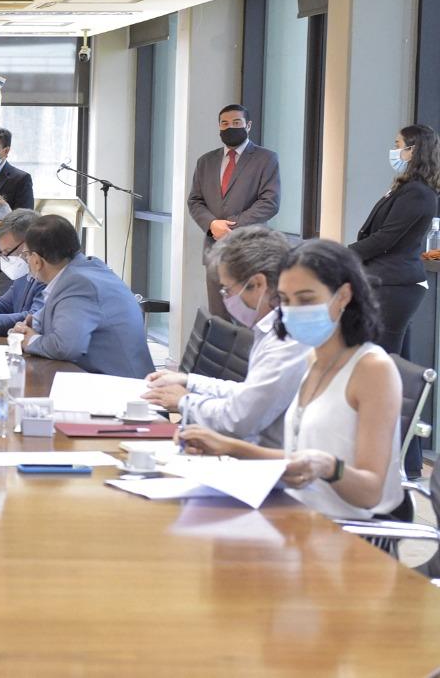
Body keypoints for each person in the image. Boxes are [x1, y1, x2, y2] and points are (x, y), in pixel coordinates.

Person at [178, 240, 404, 521]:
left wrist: (330, 467)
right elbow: (300, 463)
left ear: (344, 296)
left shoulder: (372, 369)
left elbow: (370, 492)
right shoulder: (313, 359)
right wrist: (227, 446)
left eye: (306, 299)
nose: (292, 310)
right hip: (296, 516)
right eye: (285, 300)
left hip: (349, 532)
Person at [142, 226, 308, 448]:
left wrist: (185, 401)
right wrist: (189, 381)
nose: (225, 299)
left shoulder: (289, 339)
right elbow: (252, 394)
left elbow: (241, 418)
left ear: (258, 284)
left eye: (227, 290)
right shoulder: (270, 328)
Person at [12, 214, 153, 378]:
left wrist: (29, 341)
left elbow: (66, 347)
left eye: (26, 255)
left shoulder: (78, 284)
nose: (26, 260)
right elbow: (42, 322)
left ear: (36, 260)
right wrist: (29, 328)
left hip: (120, 388)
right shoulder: (82, 270)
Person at [348, 124, 440, 357]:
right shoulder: (407, 187)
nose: (394, 151)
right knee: (393, 356)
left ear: (413, 150)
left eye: (397, 145)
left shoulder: (418, 193)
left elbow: (386, 238)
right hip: (387, 280)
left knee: (382, 356)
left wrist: (344, 254)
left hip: (394, 284)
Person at [187, 104, 280, 319]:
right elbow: (195, 201)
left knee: (250, 316)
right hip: (214, 249)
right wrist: (211, 226)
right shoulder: (206, 161)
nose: (230, 127)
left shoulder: (266, 159)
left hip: (250, 250)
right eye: (225, 123)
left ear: (248, 125)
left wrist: (230, 227)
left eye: (236, 123)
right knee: (219, 318)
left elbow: (270, 202)